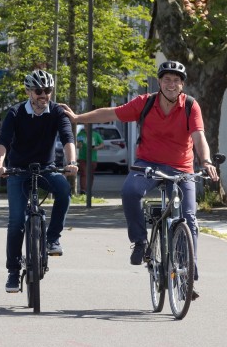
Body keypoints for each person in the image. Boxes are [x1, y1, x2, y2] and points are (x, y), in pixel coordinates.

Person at [60, 60, 219, 298]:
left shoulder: (190, 106)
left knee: (189, 219)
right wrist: (77, 118)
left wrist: (205, 161)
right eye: (167, 80)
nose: (171, 84)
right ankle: (140, 241)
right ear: (159, 82)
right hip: (148, 164)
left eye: (176, 81)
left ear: (182, 85)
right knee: (130, 191)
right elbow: (111, 113)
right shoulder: (145, 103)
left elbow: (199, 138)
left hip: (181, 168)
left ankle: (188, 273)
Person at [0, 69, 78, 293]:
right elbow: (3, 141)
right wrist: (0, 164)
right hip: (18, 171)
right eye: (39, 91)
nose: (44, 95)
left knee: (63, 190)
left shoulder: (57, 112)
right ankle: (13, 271)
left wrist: (72, 162)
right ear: (29, 91)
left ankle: (52, 238)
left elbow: (68, 138)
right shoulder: (15, 112)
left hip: (46, 169)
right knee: (16, 223)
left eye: (48, 91)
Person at [76, 126, 105, 194]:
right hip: (82, 157)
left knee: (90, 174)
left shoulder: (95, 135)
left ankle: (88, 190)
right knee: (83, 173)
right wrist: (78, 145)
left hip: (92, 158)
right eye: (85, 125)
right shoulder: (81, 134)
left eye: (88, 125)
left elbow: (102, 144)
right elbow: (77, 143)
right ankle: (83, 190)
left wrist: (96, 147)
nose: (86, 127)